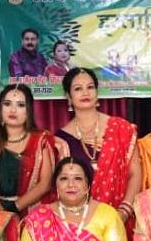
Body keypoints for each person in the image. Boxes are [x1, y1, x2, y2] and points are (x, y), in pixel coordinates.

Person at [53, 68, 140, 227]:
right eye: (78, 89)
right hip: (80, 223)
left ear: (97, 92)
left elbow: (135, 173)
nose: (85, 92)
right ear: (68, 97)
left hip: (119, 219)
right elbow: (62, 186)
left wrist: (124, 212)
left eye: (90, 87)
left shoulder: (121, 128)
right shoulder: (61, 140)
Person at [0, 83, 56, 215]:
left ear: (29, 111)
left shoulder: (40, 141)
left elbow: (45, 184)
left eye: (20, 105)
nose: (13, 110)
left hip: (33, 214)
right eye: (7, 104)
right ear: (0, 109)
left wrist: (14, 207)